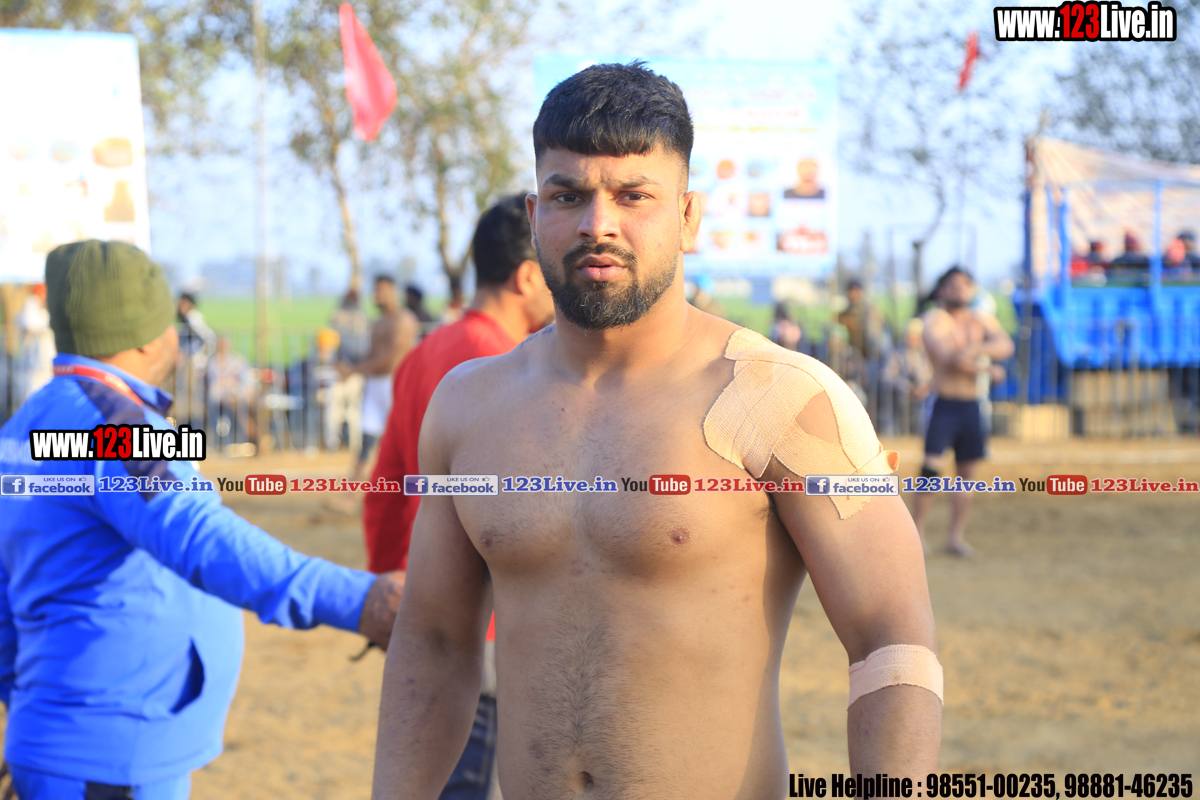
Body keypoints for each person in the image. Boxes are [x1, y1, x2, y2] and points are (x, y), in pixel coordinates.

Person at [372, 61, 941, 799]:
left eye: (633, 196)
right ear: (535, 214)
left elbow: (892, 642)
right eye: (568, 195)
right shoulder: (469, 406)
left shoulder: (780, 400)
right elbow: (434, 640)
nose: (597, 224)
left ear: (688, 217)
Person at [0, 240, 403, 799]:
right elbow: (201, 536)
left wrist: (27, 724)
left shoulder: (22, 428)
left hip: (65, 745)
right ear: (149, 337)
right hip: (112, 757)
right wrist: (357, 600)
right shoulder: (115, 426)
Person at [363, 194, 554, 800]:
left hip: (425, 613)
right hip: (491, 632)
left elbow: (384, 490)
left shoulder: (423, 355)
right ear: (528, 277)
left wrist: (391, 589)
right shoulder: (511, 370)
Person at [911, 266, 1014, 558]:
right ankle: (916, 534)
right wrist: (988, 368)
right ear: (942, 290)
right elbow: (948, 359)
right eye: (954, 286)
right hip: (943, 404)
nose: (960, 291)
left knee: (967, 474)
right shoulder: (935, 319)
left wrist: (972, 350)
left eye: (965, 285)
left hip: (972, 405)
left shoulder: (979, 319)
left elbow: (1005, 345)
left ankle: (955, 537)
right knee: (931, 470)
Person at [337, 276, 418, 483]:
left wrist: (354, 370)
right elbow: (372, 356)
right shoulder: (378, 322)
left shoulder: (404, 319)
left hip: (396, 385)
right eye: (375, 291)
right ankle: (351, 490)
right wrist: (350, 368)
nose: (377, 295)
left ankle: (413, 491)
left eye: (382, 290)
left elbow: (393, 358)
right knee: (367, 437)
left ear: (393, 291)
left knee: (402, 441)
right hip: (375, 385)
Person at [327, 289, 370, 451]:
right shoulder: (337, 317)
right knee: (333, 404)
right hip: (339, 371)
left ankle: (355, 443)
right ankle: (332, 442)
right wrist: (340, 367)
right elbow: (331, 348)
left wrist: (353, 369)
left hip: (356, 371)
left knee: (354, 410)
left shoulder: (361, 318)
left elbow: (364, 349)